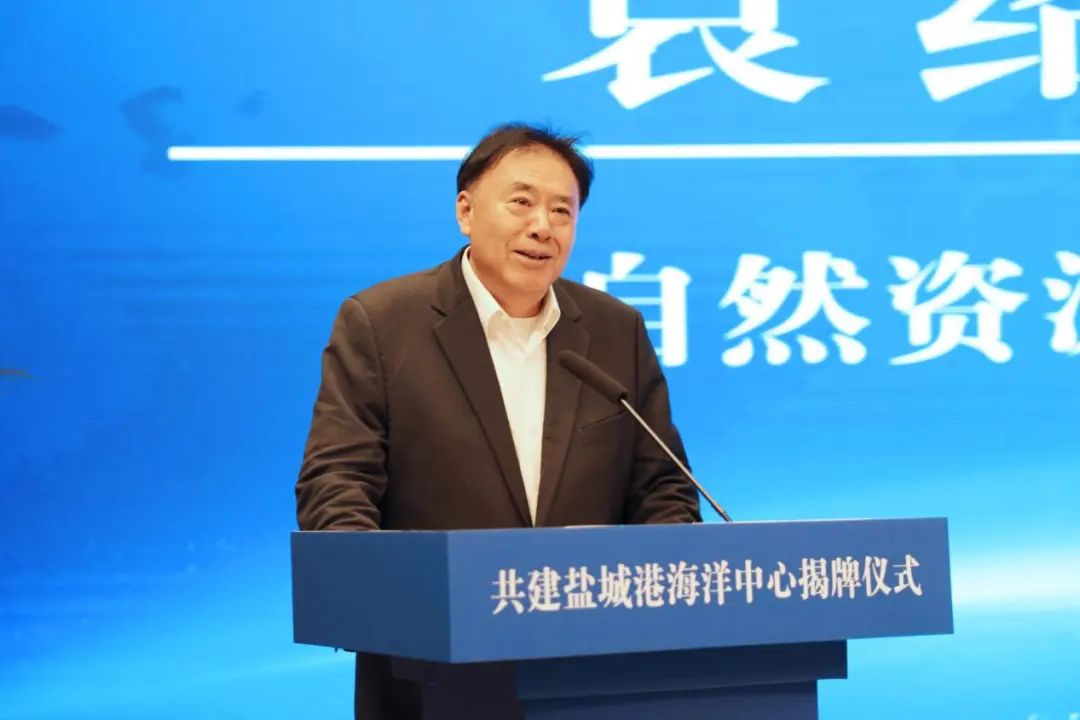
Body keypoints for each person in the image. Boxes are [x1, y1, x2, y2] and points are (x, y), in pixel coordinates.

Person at [296, 123, 701, 719]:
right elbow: (336, 482)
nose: (543, 226)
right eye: (521, 202)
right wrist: (386, 595)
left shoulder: (615, 331)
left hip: (593, 670)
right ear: (465, 211)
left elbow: (663, 487)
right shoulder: (382, 323)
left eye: (562, 211)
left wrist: (666, 588)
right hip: (429, 670)